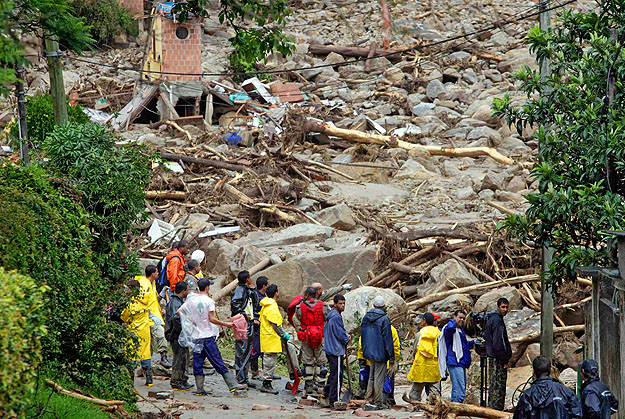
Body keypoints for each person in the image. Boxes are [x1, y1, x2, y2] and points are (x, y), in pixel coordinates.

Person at [179, 277, 247, 395]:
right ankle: (232, 384)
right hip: (207, 337)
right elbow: (211, 319)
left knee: (198, 362)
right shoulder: (209, 301)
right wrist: (226, 324)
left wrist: (192, 321)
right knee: (217, 360)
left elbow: (179, 311)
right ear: (207, 287)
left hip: (196, 337)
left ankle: (200, 389)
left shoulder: (191, 300)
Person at [259, 284, 299, 394]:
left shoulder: (268, 304)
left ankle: (294, 372)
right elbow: (275, 325)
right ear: (276, 293)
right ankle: (266, 384)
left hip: (272, 336)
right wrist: (283, 334)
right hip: (271, 336)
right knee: (270, 360)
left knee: (290, 349)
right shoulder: (271, 307)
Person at [513, 355, 582, 418]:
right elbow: (577, 414)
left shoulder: (528, 395)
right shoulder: (565, 392)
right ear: (550, 370)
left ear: (534, 372)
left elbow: (519, 416)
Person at [360, 296, 395, 409]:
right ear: (383, 306)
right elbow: (387, 339)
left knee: (371, 376)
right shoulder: (384, 319)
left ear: (374, 306)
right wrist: (391, 357)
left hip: (369, 352)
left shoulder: (366, 318)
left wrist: (365, 351)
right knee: (379, 378)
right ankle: (378, 402)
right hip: (381, 353)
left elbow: (363, 336)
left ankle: (369, 398)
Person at [294, 286, 330, 395]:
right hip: (320, 337)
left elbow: (296, 321)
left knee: (308, 363)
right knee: (321, 363)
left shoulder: (300, 307)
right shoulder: (324, 306)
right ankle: (320, 387)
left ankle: (309, 386)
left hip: (306, 337)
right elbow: (329, 318)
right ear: (316, 295)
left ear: (306, 295)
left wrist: (301, 330)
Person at [136, 265, 172, 368]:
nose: (158, 274)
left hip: (153, 316)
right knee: (150, 341)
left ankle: (162, 357)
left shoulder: (152, 285)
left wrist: (160, 295)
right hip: (147, 317)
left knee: (159, 336)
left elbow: (153, 300)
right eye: (157, 272)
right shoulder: (144, 285)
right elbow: (143, 301)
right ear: (153, 274)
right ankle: (146, 366)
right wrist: (150, 315)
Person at [121, 279, 154, 387]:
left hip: (133, 332)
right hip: (145, 331)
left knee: (132, 354)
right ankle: (149, 380)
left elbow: (124, 317)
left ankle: (131, 380)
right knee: (145, 353)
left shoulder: (130, 303)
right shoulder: (146, 298)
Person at [230, 270, 259, 388]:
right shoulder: (240, 290)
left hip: (249, 322)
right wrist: (242, 314)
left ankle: (244, 377)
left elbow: (255, 302)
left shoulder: (247, 290)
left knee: (247, 350)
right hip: (243, 323)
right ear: (247, 279)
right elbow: (235, 304)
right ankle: (240, 378)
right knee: (242, 350)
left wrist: (252, 290)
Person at [439, 310, 475, 403]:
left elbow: (464, 345)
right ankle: (456, 407)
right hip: (454, 361)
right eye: (460, 317)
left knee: (459, 387)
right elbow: (449, 328)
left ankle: (454, 407)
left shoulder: (460, 330)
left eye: (463, 318)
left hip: (460, 362)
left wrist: (474, 343)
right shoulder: (450, 328)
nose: (462, 320)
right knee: (459, 387)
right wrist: (453, 321)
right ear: (454, 317)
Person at [323, 294, 351, 408]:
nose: (343, 305)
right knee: (337, 376)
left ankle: (325, 395)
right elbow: (339, 334)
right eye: (340, 303)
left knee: (333, 374)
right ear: (335, 304)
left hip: (330, 348)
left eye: (344, 303)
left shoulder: (331, 316)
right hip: (336, 350)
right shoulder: (336, 317)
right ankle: (334, 400)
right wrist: (346, 338)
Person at [485, 297, 512, 411]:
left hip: (494, 358)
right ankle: (496, 411)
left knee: (493, 387)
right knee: (498, 388)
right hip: (497, 360)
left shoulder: (493, 319)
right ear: (498, 307)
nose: (505, 310)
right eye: (503, 307)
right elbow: (499, 342)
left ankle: (492, 410)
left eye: (506, 307)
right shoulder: (497, 321)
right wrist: (504, 360)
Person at [408, 313, 442, 401]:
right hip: (434, 366)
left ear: (424, 322)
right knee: (435, 391)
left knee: (416, 391)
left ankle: (416, 406)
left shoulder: (419, 334)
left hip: (420, 366)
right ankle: (433, 408)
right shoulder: (439, 334)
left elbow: (415, 350)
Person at [165, 281, 192, 391]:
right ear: (183, 291)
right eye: (187, 289)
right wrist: (183, 328)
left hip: (181, 335)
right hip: (176, 334)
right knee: (178, 358)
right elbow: (176, 319)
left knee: (184, 357)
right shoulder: (174, 303)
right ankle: (176, 381)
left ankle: (182, 380)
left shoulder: (179, 302)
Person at [251, 276, 269, 381]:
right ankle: (254, 373)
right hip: (257, 327)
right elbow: (251, 309)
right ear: (263, 286)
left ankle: (267, 372)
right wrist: (254, 319)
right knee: (256, 350)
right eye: (267, 284)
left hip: (264, 327)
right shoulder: (256, 297)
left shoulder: (264, 296)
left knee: (265, 351)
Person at [382, 324, 401, 406]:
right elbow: (396, 346)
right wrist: (395, 359)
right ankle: (389, 400)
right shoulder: (391, 329)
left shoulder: (372, 326)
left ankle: (381, 400)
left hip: (375, 360)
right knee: (390, 379)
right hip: (389, 360)